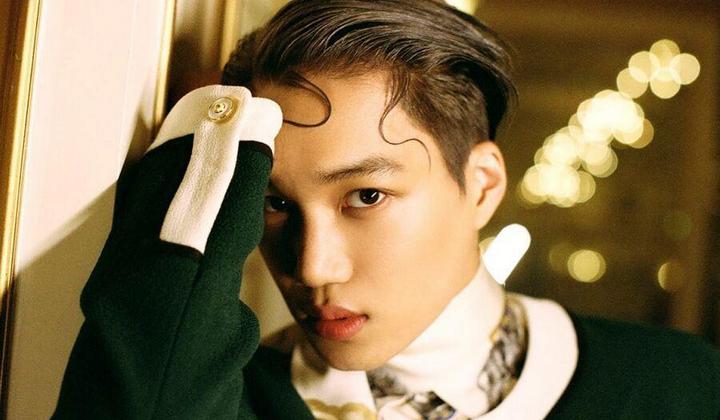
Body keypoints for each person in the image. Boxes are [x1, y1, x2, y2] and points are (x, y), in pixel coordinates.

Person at [53, 1, 720, 419]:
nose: (312, 267)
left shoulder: (679, 386)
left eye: (366, 196)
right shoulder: (215, 397)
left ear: (482, 186)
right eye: (274, 202)